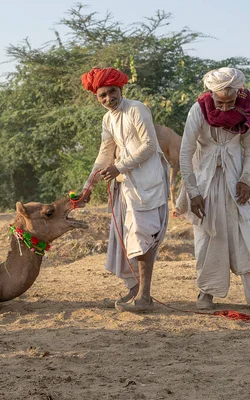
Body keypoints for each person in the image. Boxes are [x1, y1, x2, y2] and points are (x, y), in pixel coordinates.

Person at [178, 67, 250, 310]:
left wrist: (245, 179)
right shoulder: (198, 110)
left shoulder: (248, 110)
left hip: (236, 182)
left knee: (247, 233)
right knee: (208, 235)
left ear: (239, 93)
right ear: (210, 93)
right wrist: (193, 193)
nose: (224, 108)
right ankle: (206, 293)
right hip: (204, 182)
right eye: (220, 102)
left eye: (230, 102)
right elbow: (185, 152)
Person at [78, 67, 169, 313]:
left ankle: (145, 296)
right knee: (127, 237)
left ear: (121, 89)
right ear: (96, 98)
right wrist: (88, 187)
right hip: (126, 186)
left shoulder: (137, 109)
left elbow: (150, 145)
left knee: (143, 236)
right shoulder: (108, 118)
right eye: (102, 96)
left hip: (147, 182)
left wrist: (119, 167)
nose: (109, 99)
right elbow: (104, 153)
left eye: (112, 92)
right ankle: (134, 290)